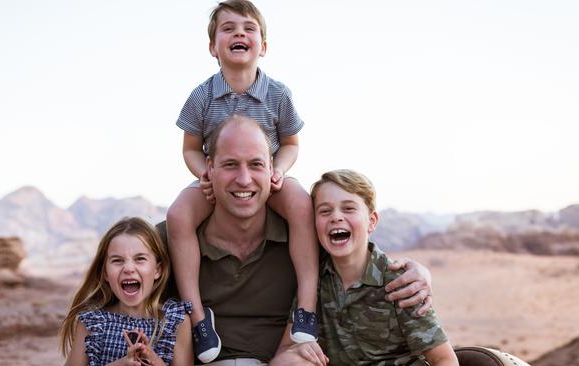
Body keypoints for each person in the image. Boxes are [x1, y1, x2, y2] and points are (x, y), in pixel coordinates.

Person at [158, 115, 434, 365]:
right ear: (210, 168)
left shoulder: (303, 237)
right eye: (230, 165)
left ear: (272, 168)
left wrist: (417, 271)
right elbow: (121, 280)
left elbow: (356, 259)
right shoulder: (171, 241)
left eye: (255, 165)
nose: (244, 179)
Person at [166, 0, 320, 362]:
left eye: (249, 28)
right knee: (177, 215)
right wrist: (201, 173)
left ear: (263, 46)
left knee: (301, 204)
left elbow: (291, 143)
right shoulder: (202, 95)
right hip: (217, 178)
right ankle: (199, 319)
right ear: (212, 47)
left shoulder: (278, 94)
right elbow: (189, 148)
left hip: (268, 176)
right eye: (228, 28)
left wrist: (278, 169)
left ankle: (307, 307)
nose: (239, 33)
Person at [286, 169, 458, 365]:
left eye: (349, 208)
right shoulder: (313, 281)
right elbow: (286, 351)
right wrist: (299, 349)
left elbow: (444, 359)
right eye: (325, 211)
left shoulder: (400, 282)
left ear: (372, 221)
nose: (336, 217)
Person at [60, 217, 193, 366]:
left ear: (157, 270)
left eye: (140, 259)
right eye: (117, 260)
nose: (129, 268)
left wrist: (153, 360)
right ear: (105, 273)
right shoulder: (92, 323)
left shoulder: (175, 322)